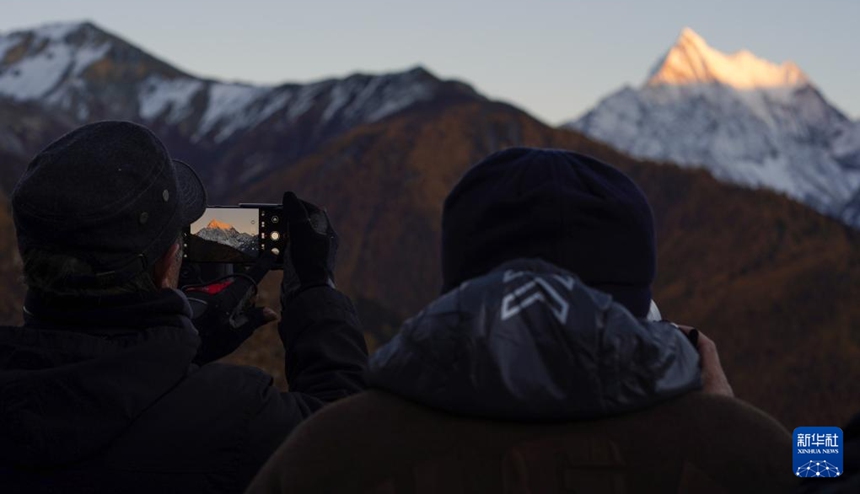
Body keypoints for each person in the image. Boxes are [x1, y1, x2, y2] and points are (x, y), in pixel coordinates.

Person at [246, 147, 794, 494]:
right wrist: (723, 419)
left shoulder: (330, 450)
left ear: (456, 290)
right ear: (642, 308)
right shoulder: (752, 453)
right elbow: (838, 460)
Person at [0, 121, 368, 493]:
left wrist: (179, 351)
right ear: (165, 268)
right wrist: (315, 289)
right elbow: (352, 444)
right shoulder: (232, 419)